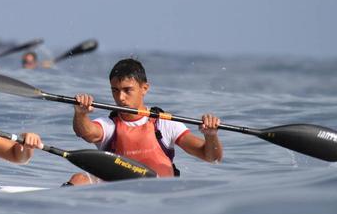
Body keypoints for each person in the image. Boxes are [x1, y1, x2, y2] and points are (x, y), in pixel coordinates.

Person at [66, 58, 223, 185]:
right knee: (79, 179)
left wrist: (211, 136)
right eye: (115, 90)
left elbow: (212, 157)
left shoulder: (164, 124)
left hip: (159, 196)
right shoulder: (110, 125)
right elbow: (86, 132)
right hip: (118, 196)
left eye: (127, 90)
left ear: (144, 88)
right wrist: (80, 114)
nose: (120, 98)